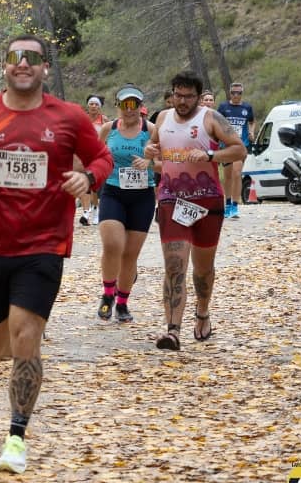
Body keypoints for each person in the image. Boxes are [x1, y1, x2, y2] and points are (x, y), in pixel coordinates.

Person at [0, 36, 112, 474]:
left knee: (26, 334)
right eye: (15, 57)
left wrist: (88, 178)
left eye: (32, 57)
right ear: (5, 67)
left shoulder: (68, 117)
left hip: (44, 246)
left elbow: (102, 157)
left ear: (45, 67)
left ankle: (16, 437)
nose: (23, 63)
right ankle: (21, 356)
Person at [143, 70, 246, 350]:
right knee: (175, 264)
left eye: (188, 96)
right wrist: (150, 151)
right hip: (171, 198)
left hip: (207, 201)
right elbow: (153, 146)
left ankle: (202, 311)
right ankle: (173, 330)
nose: (182, 101)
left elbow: (239, 150)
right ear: (172, 94)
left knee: (202, 269)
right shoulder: (162, 118)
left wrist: (211, 155)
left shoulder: (211, 119)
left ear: (198, 97)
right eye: (178, 95)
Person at [95, 84, 157, 324]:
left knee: (130, 254)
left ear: (141, 107)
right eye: (125, 104)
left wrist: (150, 162)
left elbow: (166, 162)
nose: (129, 109)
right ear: (117, 106)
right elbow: (95, 157)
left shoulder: (151, 130)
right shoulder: (108, 129)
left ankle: (122, 303)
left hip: (142, 196)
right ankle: (107, 294)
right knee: (112, 244)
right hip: (113, 191)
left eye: (134, 104)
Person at [217, 81, 255, 219]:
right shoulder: (223, 107)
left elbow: (252, 121)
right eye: (233, 93)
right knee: (227, 176)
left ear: (242, 93)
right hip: (226, 145)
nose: (236, 95)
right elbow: (216, 123)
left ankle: (235, 205)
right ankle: (227, 204)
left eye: (239, 93)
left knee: (237, 173)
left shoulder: (247, 107)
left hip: (241, 145)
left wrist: (251, 132)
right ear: (230, 93)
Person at [78, 95, 107, 226]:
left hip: (98, 155)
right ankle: (85, 212)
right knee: (84, 182)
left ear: (100, 107)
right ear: (87, 106)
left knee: (94, 185)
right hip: (83, 155)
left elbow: (110, 136)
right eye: (91, 104)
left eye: (96, 104)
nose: (93, 106)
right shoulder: (82, 118)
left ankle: (95, 209)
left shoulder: (104, 120)